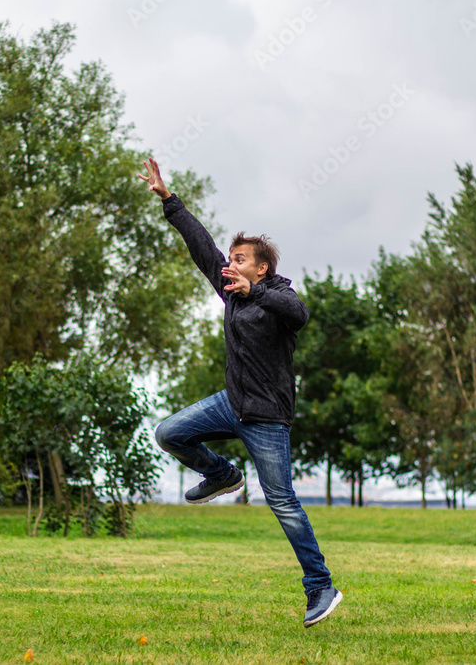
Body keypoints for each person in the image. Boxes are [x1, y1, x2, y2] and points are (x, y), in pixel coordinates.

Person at [138, 157, 342, 628]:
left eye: (240, 260)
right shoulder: (230, 291)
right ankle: (224, 475)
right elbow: (201, 246)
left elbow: (300, 314)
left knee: (283, 502)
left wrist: (256, 291)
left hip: (267, 417)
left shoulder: (279, 299)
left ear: (263, 267)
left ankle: (321, 587)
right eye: (230, 261)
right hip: (231, 404)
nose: (230, 266)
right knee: (169, 433)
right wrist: (170, 201)